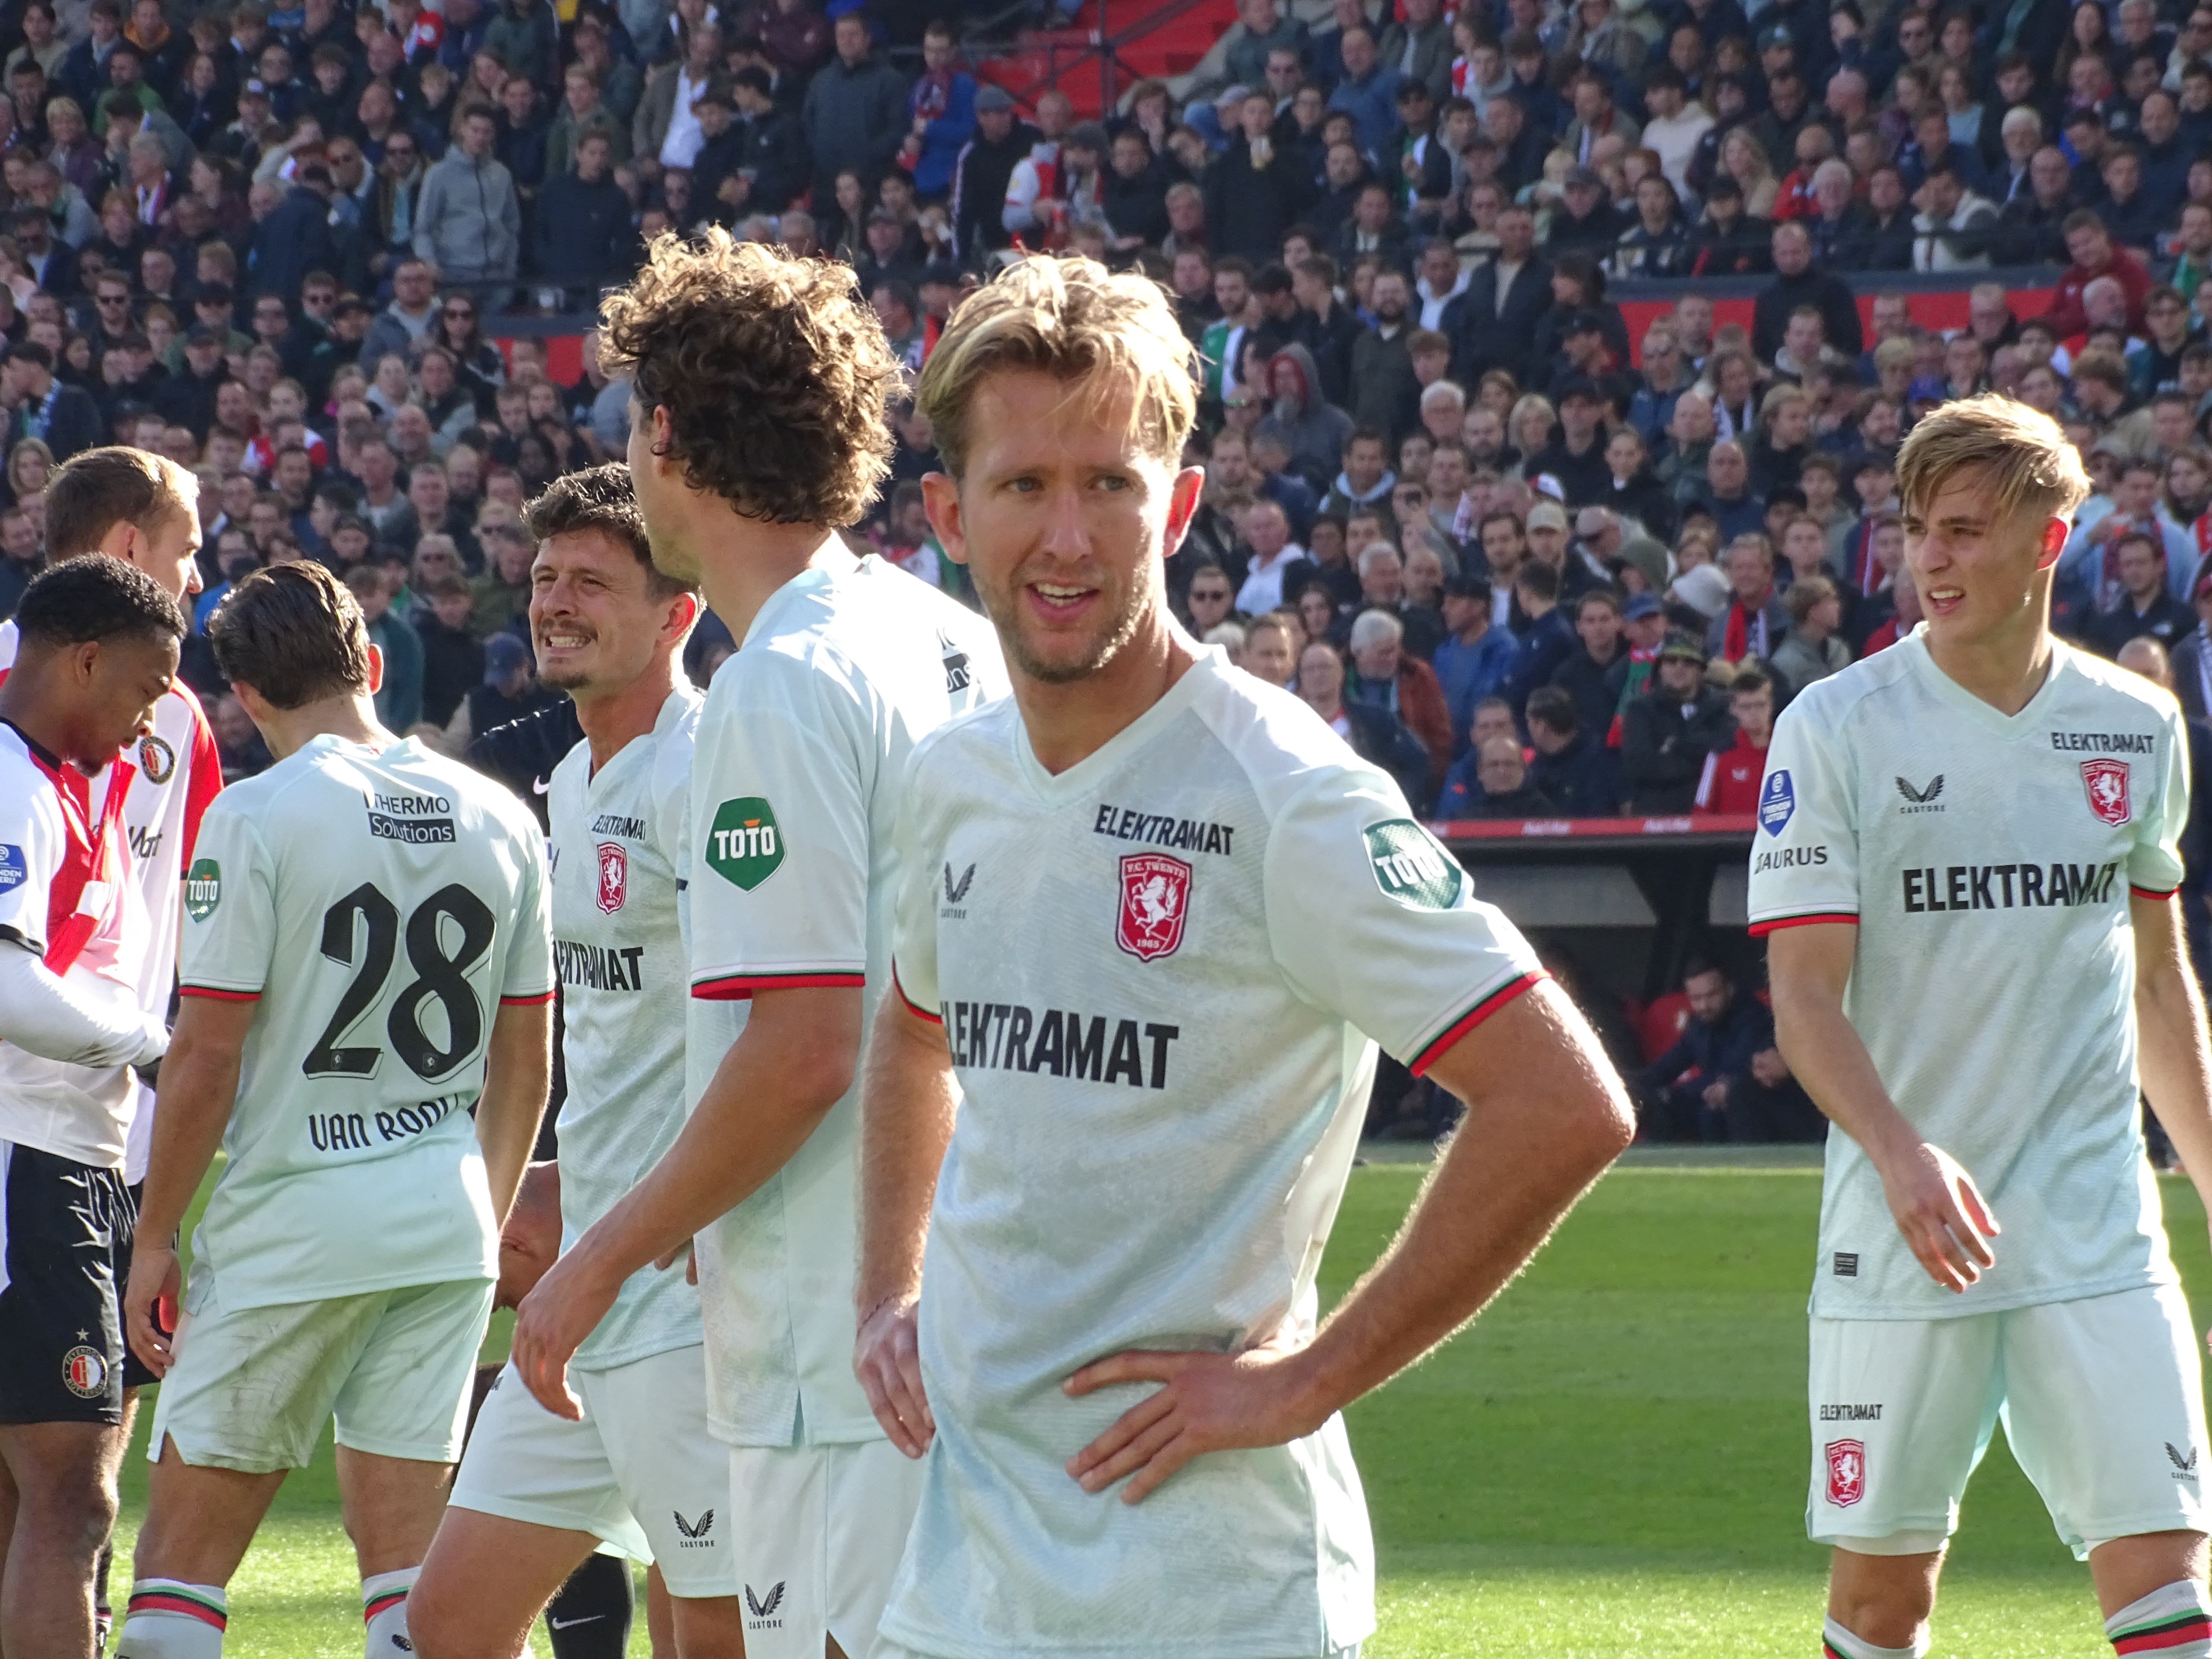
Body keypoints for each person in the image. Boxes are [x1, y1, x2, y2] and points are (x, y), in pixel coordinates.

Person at [853, 250, 1631, 1659]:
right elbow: (912, 1028)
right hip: (965, 1581)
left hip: (1207, 1590)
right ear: (945, 512)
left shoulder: (1282, 793)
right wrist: (883, 1290)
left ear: (1183, 502)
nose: (1069, 537)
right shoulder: (946, 778)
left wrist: (1305, 1379)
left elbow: (1563, 1099)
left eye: (1111, 483)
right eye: (1025, 485)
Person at [506, 231, 1007, 1659]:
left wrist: (601, 1251)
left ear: (665, 435)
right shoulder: (933, 625)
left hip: (832, 1335)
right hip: (953, 1288)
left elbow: (801, 1047)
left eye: (628, 427)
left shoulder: (776, 686)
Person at [1752, 393, 2212, 1659]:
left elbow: (2161, 986)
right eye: (1916, 531)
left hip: (2094, 1227)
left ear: (2051, 541)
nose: (1933, 559)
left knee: (2170, 1585)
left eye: (1962, 530)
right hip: (1907, 1235)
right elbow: (1803, 999)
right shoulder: (1836, 728)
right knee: (1883, 1607)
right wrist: (1902, 1151)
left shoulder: (2136, 727)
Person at [113, 561, 555, 1657]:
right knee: (409, 1585)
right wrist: (481, 1214)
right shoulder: (498, 814)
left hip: (297, 1215)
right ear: (371, 661)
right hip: (443, 1222)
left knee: (179, 1570)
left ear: (247, 697)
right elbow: (524, 1057)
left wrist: (157, 1236)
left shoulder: (255, 815)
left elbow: (209, 1052)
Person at [412, 467, 743, 1652]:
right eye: (547, 577)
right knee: (450, 1620)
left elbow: (753, 1026)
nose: (556, 600)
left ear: (678, 614)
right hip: (585, 1281)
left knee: (709, 1623)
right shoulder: (584, 777)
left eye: (592, 581)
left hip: (679, 1290)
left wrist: (700, 1216)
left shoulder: (705, 768)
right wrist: (564, 1178)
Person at [0, 556, 183, 1659]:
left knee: (30, 1502)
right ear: (82, 661)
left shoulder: (61, 781)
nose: (151, 715)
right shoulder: (16, 779)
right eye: (147, 684)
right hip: (32, 1164)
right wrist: (155, 1047)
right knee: (74, 1498)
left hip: (61, 1161)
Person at [1640, 956, 1776, 1142]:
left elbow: (1735, 1071)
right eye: (1696, 998)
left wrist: (1673, 1094)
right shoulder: (1699, 1023)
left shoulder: (1753, 1019)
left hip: (1751, 1112)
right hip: (1704, 1099)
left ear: (1730, 989)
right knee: (1654, 1106)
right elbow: (1668, 1066)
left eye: (1712, 996)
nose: (1704, 1006)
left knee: (1709, 1111)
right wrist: (1629, 1085)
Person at [1621, 632, 1736, 812]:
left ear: (1701, 670)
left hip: (1712, 815)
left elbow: (1726, 756)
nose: (1679, 668)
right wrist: (1699, 763)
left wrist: (1675, 747)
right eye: (1671, 661)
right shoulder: (1640, 710)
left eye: (1689, 663)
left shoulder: (1721, 708)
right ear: (1660, 668)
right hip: (1656, 815)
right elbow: (1642, 766)